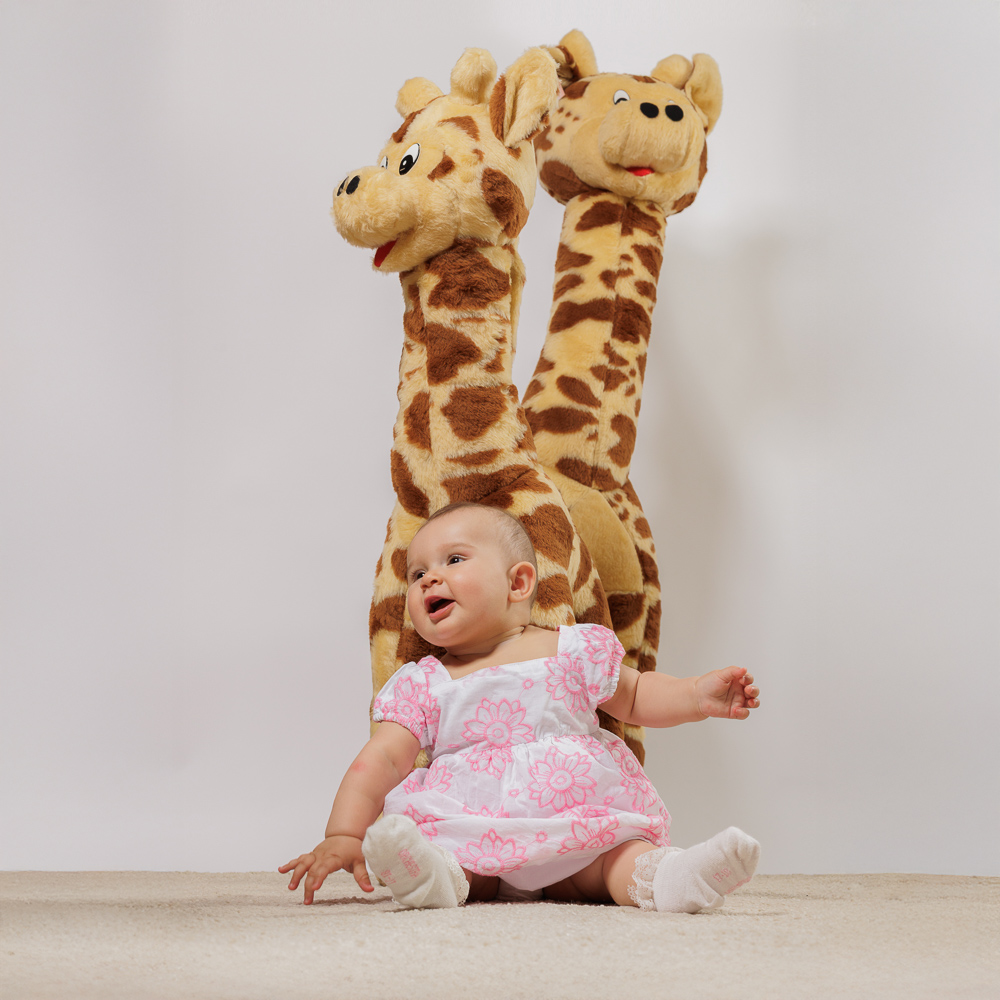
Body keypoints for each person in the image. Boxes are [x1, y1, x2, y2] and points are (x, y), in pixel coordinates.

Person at [280, 502, 761, 912]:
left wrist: (695, 695)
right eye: (417, 573)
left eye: (453, 559)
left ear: (518, 582)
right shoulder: (424, 682)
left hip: (577, 830)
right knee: (452, 858)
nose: (429, 579)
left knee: (617, 858)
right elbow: (382, 758)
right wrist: (344, 833)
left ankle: (673, 877)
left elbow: (635, 697)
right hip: (476, 837)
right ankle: (433, 877)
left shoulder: (572, 649)